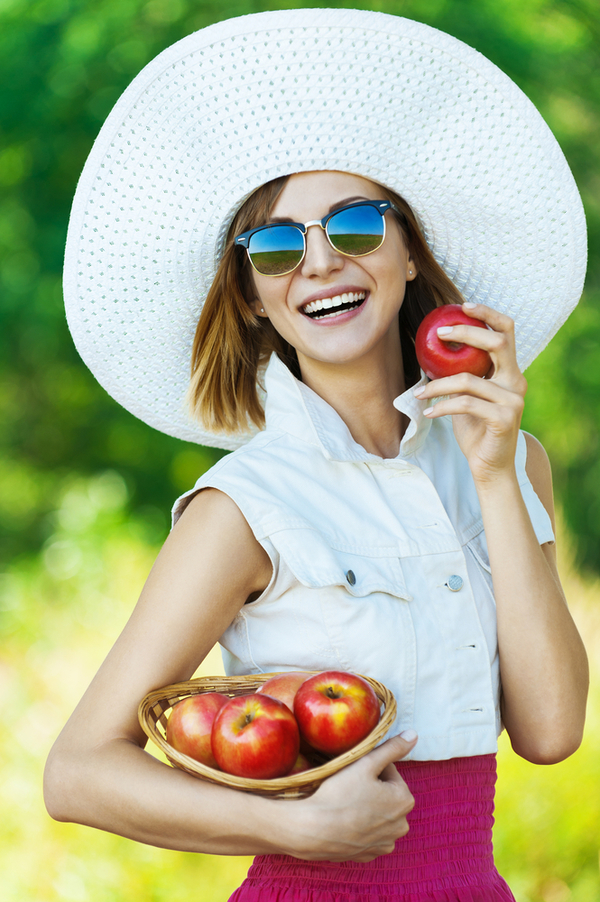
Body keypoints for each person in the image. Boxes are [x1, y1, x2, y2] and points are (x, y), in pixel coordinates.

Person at [45, 9, 589, 901]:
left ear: (409, 253)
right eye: (275, 245)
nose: (322, 262)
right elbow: (76, 773)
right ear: (253, 297)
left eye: (358, 227)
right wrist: (289, 826)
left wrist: (495, 478)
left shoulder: (510, 461)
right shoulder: (244, 508)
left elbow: (552, 730)